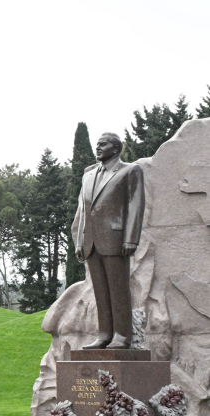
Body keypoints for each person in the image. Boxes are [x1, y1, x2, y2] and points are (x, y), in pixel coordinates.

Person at [71, 132, 145, 349]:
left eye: (103, 144)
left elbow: (135, 205)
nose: (98, 147)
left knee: (119, 290)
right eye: (97, 144)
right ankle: (104, 334)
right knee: (101, 291)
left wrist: (131, 238)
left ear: (116, 148)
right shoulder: (88, 176)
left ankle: (122, 336)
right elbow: (85, 210)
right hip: (91, 241)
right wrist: (79, 241)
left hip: (115, 239)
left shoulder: (130, 170)